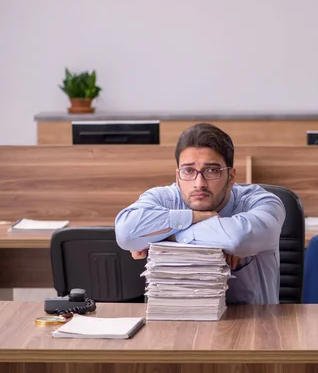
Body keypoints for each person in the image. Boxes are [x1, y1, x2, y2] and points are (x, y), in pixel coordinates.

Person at [115, 122, 286, 304]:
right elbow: (126, 233)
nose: (199, 183)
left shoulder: (263, 202)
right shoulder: (163, 199)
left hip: (252, 326)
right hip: (174, 324)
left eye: (212, 170)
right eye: (188, 171)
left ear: (231, 177)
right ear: (177, 176)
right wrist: (196, 218)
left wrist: (167, 237)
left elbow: (238, 239)